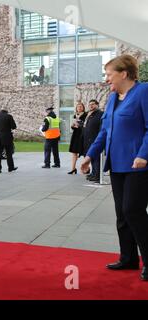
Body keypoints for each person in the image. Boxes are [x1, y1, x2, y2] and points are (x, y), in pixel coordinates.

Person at [81, 55, 148, 281]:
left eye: (109, 74)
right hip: (117, 164)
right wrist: (89, 156)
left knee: (133, 211)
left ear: (124, 73)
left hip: (138, 165)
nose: (107, 78)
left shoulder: (143, 92)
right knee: (122, 214)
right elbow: (104, 132)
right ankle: (128, 258)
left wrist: (143, 154)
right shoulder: (112, 99)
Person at [82, 99, 104, 182]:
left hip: (95, 139)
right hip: (88, 140)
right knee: (91, 158)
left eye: (93, 104)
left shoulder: (100, 114)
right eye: (90, 104)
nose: (91, 106)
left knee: (96, 158)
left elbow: (101, 128)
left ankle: (97, 175)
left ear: (97, 105)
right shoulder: (90, 114)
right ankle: (94, 173)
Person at [0, 107, 17, 173]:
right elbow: (14, 126)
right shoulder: (9, 116)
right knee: (9, 153)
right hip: (7, 137)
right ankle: (10, 168)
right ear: (6, 111)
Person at [68, 102, 87, 174]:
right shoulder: (75, 115)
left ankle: (86, 168)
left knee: (85, 152)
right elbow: (73, 126)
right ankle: (73, 169)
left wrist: (79, 126)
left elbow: (86, 125)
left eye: (81, 106)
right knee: (74, 152)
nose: (79, 108)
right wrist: (72, 126)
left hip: (83, 135)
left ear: (83, 108)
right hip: (75, 135)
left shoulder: (86, 115)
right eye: (78, 106)